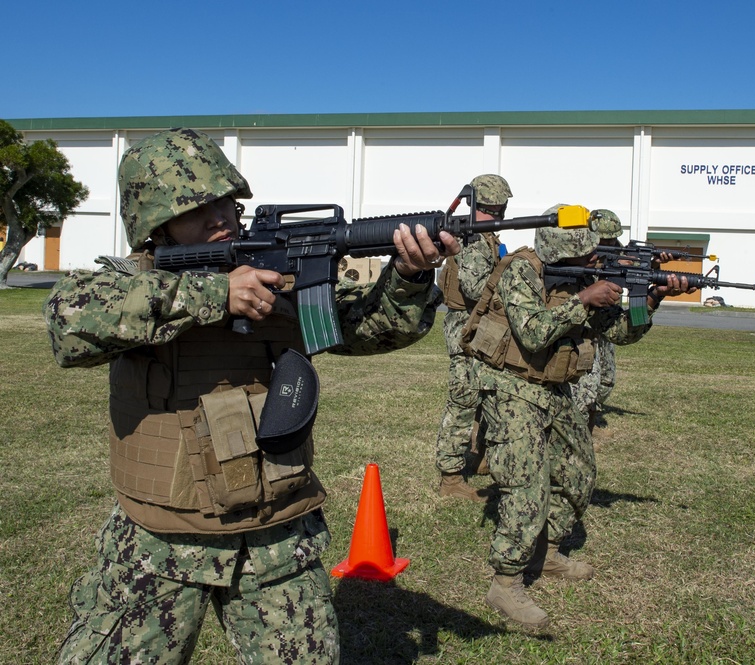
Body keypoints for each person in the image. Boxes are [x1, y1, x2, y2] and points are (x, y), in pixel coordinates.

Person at [43, 127, 459, 664]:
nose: (220, 217)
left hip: (277, 540)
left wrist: (407, 276)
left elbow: (372, 328)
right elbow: (67, 323)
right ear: (155, 225)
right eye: (198, 209)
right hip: (160, 545)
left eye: (226, 203)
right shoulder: (131, 284)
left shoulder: (279, 279)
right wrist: (217, 294)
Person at [461, 208, 693, 628]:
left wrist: (652, 299)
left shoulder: (584, 277)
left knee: (577, 472)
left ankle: (546, 553)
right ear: (563, 252)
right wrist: (582, 301)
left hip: (554, 385)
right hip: (510, 383)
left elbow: (621, 332)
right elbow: (532, 332)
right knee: (524, 482)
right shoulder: (522, 271)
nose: (595, 262)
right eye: (587, 256)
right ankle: (506, 581)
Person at [433, 174, 511, 501]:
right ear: (473, 205)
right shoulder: (471, 239)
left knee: (485, 397)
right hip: (466, 331)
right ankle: (450, 478)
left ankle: (479, 458)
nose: (493, 216)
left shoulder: (484, 237)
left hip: (482, 331)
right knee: (464, 401)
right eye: (489, 210)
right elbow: (475, 289)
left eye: (498, 210)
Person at [570, 209, 624, 435]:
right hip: (583, 327)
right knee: (586, 388)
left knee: (606, 381)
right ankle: (580, 434)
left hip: (603, 324)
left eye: (613, 239)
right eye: (605, 241)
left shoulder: (618, 253)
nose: (611, 244)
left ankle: (588, 420)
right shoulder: (579, 254)